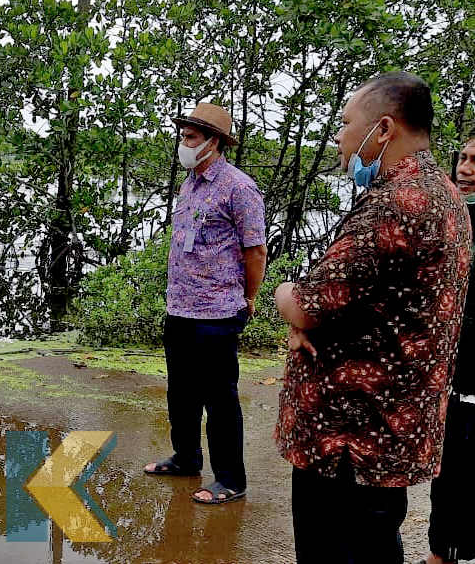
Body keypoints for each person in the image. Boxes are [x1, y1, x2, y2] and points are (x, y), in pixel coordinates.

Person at [274, 71, 471, 564]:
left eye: (344, 124)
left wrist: (286, 299)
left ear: (383, 130)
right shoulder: (445, 195)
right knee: (374, 545)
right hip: (383, 435)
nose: (339, 137)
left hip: (350, 439)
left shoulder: (397, 204)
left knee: (341, 550)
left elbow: (307, 303)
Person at [143, 102, 268, 506]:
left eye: (191, 137)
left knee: (219, 398)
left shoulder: (239, 188)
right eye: (182, 136)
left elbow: (256, 251)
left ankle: (231, 478)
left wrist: (247, 298)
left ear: (214, 143)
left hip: (217, 312)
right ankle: (186, 458)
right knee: (180, 392)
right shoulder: (190, 184)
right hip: (179, 307)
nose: (183, 143)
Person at [418, 132, 475, 564]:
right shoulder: (450, 216)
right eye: (464, 157)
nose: (467, 168)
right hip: (451, 369)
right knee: (448, 465)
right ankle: (442, 551)